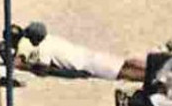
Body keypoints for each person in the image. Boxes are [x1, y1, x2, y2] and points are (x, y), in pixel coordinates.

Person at [8, 21, 147, 82]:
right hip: (86, 55)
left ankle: (150, 77)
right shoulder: (50, 39)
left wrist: (24, 67)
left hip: (84, 65)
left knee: (121, 73)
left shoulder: (44, 48)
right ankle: (152, 68)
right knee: (122, 63)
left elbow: (44, 71)